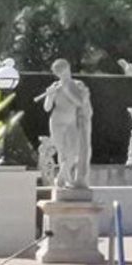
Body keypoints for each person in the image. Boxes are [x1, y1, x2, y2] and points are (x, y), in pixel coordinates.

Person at [37, 59, 93, 191]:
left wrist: (67, 90)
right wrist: (50, 95)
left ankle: (61, 177)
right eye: (59, 74)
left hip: (71, 123)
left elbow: (80, 102)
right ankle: (67, 181)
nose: (62, 76)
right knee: (62, 153)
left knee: (73, 153)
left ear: (68, 69)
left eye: (64, 72)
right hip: (56, 122)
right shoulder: (55, 85)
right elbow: (47, 108)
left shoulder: (77, 84)